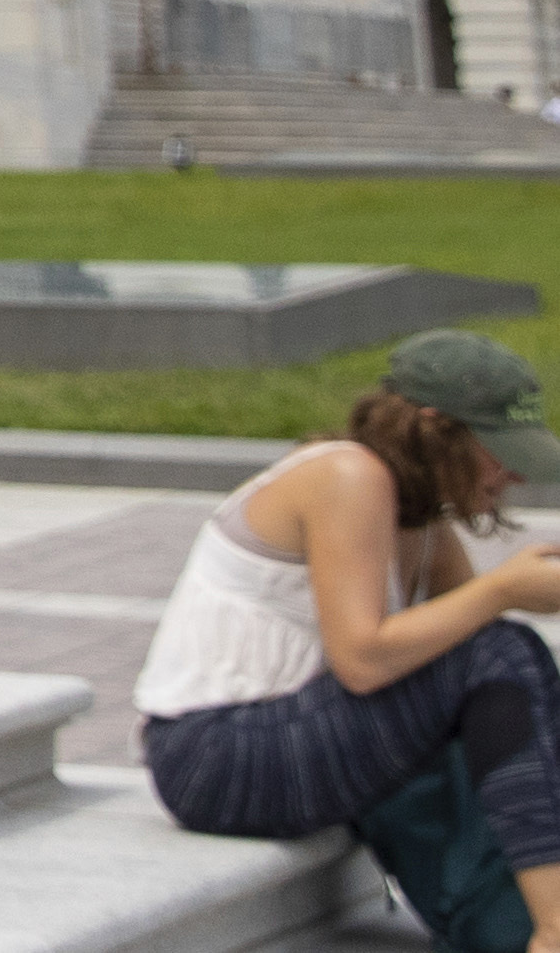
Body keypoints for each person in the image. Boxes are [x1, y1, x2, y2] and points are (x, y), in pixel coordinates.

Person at [141, 330, 560, 920]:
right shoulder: (348, 475)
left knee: (513, 669)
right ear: (436, 430)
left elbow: (480, 667)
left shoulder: (420, 518)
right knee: (502, 650)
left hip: (287, 735)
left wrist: (518, 593)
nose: (516, 477)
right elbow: (362, 662)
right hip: (215, 755)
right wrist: (503, 590)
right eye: (503, 452)